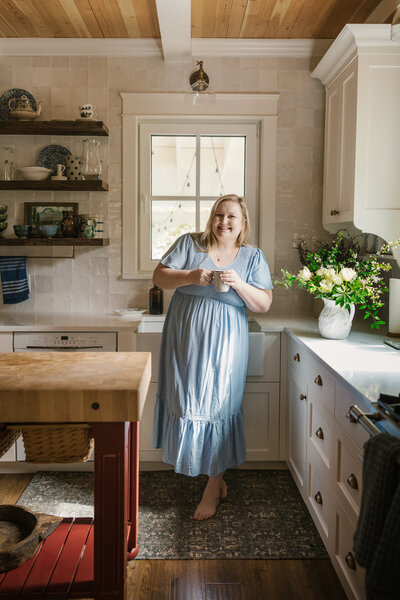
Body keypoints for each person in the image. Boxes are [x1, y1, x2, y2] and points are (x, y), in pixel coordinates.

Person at [152, 194, 273, 521]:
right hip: (184, 338)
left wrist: (239, 285)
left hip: (226, 342)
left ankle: (213, 485)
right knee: (187, 401)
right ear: (212, 218)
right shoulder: (190, 244)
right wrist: (191, 276)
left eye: (232, 216)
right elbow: (159, 277)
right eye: (219, 215)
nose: (224, 221)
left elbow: (263, 304)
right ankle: (201, 472)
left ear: (242, 222)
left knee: (220, 405)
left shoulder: (251, 257)